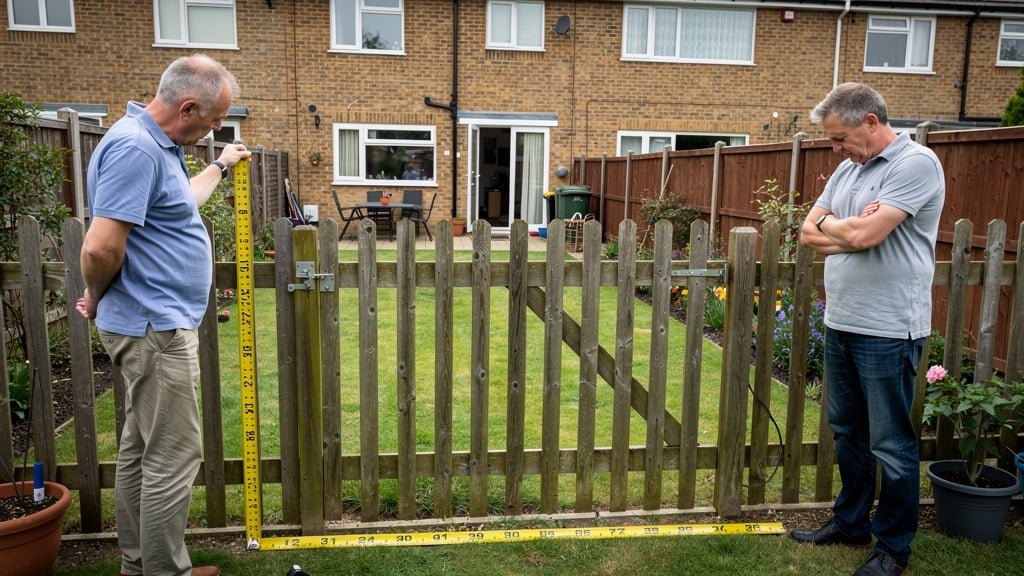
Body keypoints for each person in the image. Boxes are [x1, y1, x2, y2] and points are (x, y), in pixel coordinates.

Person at [76, 54, 251, 576]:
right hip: (156, 331)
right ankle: (163, 572)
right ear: (189, 106)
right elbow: (100, 248)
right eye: (215, 119)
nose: (216, 128)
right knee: (174, 458)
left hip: (151, 326)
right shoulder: (136, 149)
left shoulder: (158, 144)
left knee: (140, 451)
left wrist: (220, 165)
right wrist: (93, 293)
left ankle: (141, 565)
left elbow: (180, 204)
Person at [792, 83, 944, 576]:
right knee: (847, 433)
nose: (835, 149)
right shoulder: (847, 167)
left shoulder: (915, 164)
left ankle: (893, 549)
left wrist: (847, 227)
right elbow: (808, 232)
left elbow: (862, 233)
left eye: (839, 138)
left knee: (892, 444)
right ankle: (851, 523)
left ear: (871, 123)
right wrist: (850, 228)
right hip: (842, 321)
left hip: (888, 328)